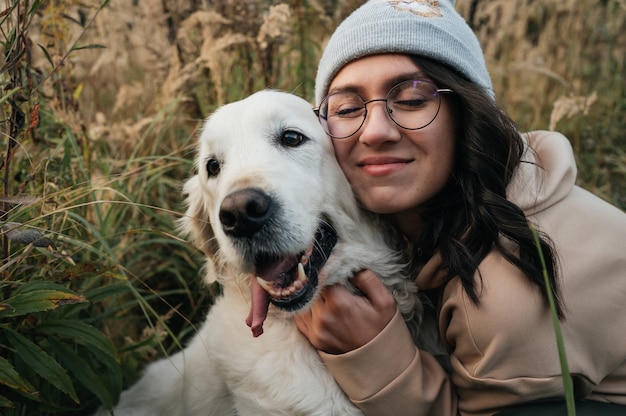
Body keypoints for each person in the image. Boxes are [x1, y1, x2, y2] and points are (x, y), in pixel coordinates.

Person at [294, 1, 626, 415]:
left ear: (467, 114)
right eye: (346, 109)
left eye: (413, 99)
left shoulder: (505, 292)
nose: (376, 131)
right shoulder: (485, 194)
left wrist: (375, 358)